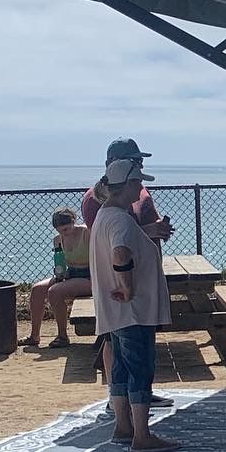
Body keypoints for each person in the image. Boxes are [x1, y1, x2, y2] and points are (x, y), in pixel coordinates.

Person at [89, 157, 179, 452]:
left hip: (115, 310)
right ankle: (142, 434)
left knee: (121, 368)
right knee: (141, 367)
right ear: (126, 185)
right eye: (138, 182)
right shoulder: (121, 219)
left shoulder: (105, 215)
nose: (141, 188)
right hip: (133, 309)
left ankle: (123, 425)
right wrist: (127, 286)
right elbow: (120, 252)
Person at [82, 138, 173, 391]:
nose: (140, 165)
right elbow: (108, 244)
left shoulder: (140, 191)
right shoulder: (96, 199)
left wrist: (157, 230)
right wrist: (148, 230)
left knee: (136, 352)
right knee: (120, 347)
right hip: (122, 290)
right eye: (135, 161)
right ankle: (121, 400)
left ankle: (136, 400)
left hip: (140, 284)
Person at [22, 208, 91, 349]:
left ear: (73, 222)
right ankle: (34, 336)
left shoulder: (86, 233)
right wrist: (60, 273)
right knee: (37, 290)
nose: (64, 233)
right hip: (71, 273)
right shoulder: (58, 240)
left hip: (90, 276)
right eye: (60, 231)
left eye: (66, 229)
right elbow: (61, 265)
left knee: (55, 291)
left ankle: (62, 336)